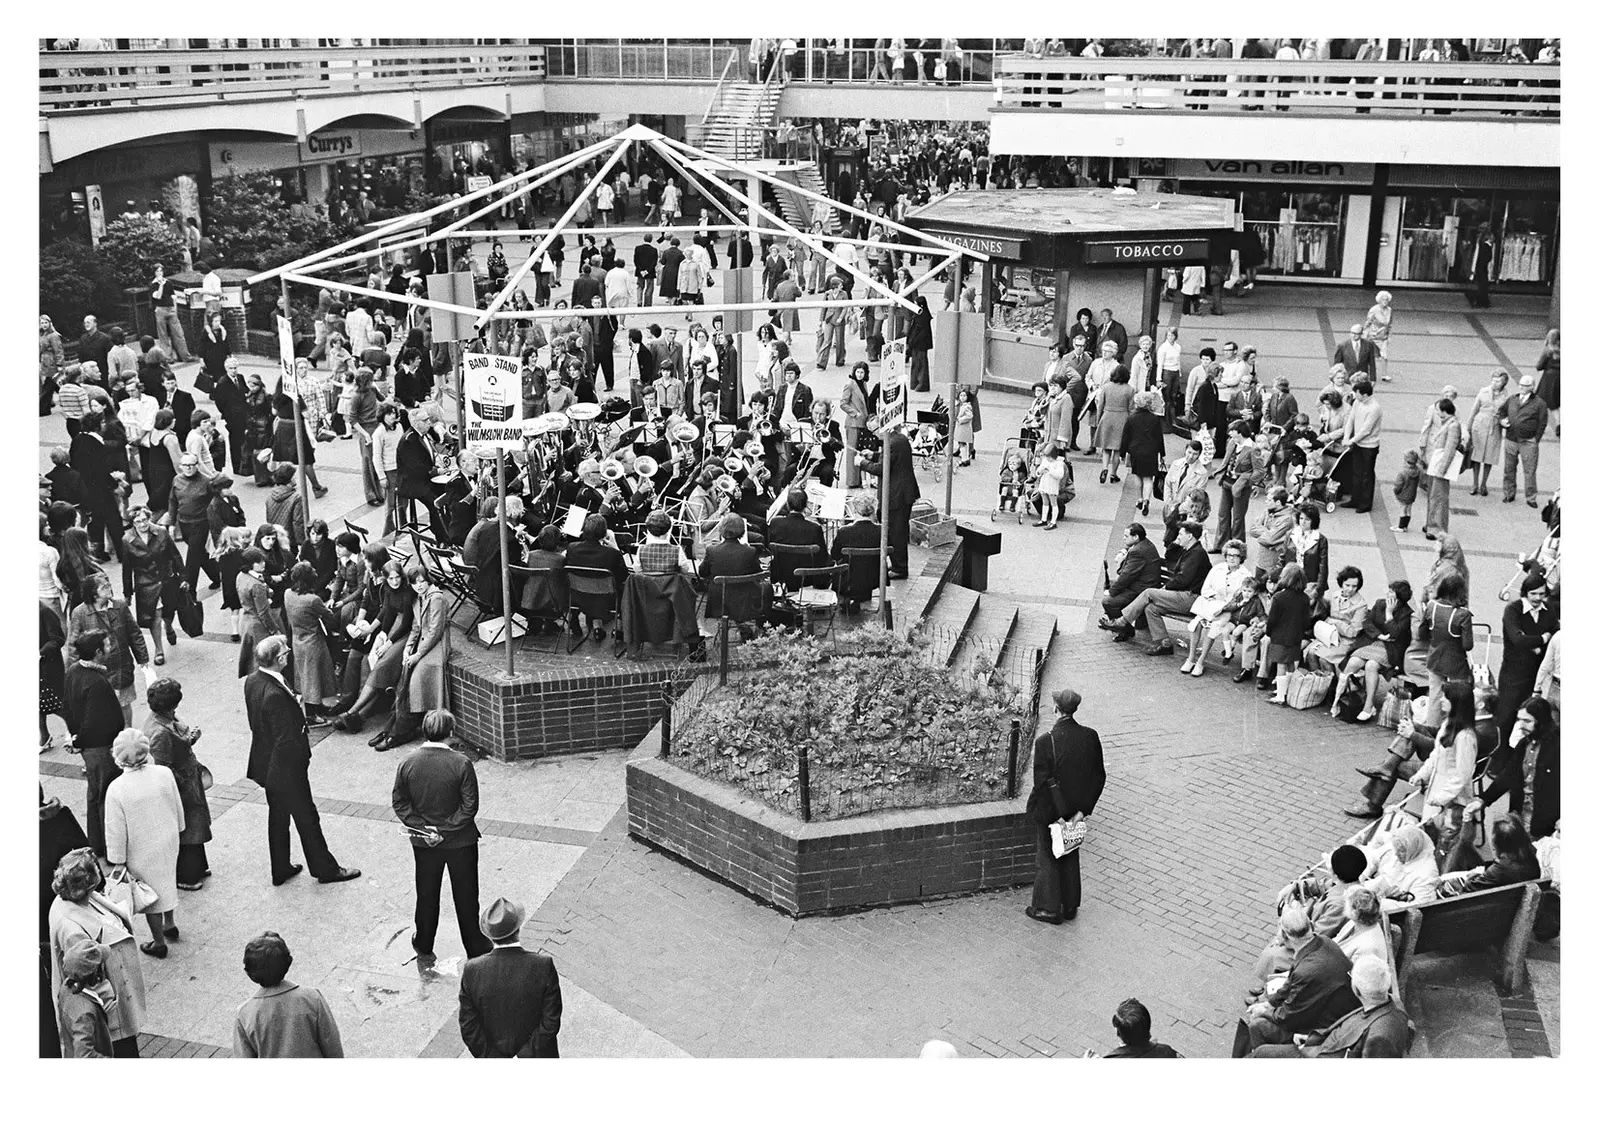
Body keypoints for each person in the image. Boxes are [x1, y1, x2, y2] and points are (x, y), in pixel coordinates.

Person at [244, 635, 361, 887]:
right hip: (286, 770)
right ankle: (325, 868)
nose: (288, 654)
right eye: (285, 652)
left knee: (278, 817)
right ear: (279, 659)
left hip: (266, 764)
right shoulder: (274, 694)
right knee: (307, 818)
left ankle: (281, 867)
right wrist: (301, 761)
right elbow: (286, 740)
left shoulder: (253, 681)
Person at [48, 847, 147, 1057]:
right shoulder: (72, 928)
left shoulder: (75, 899)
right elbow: (86, 974)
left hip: (112, 1008)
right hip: (109, 1016)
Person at [1024, 688, 1107, 925]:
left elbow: (1041, 784)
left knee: (1047, 857)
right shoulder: (1090, 736)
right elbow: (1099, 776)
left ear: (1056, 709)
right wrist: (1082, 811)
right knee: (1070, 852)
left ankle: (1048, 908)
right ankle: (1070, 904)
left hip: (1052, 811)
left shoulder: (1045, 741)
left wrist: (1055, 815)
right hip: (1076, 811)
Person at [1232, 904, 1359, 1057]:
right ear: (1310, 926)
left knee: (1257, 1025)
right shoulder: (1323, 942)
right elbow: (1291, 982)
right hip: (1332, 1010)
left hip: (1327, 1028)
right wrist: (1270, 1003)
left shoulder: (1307, 971)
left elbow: (1288, 1016)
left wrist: (1264, 1011)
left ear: (1285, 936)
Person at [103, 728, 185, 958]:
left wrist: (117, 860)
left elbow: (115, 829)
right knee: (168, 880)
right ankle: (170, 923)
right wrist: (179, 827)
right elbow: (177, 805)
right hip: (168, 838)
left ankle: (158, 941)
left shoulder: (116, 789)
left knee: (150, 894)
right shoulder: (164, 773)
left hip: (140, 848)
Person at [459, 897, 563, 1057]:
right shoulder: (543, 965)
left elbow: (469, 1028)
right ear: (518, 929)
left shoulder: (472, 970)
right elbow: (550, 1021)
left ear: (490, 936)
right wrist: (523, 1056)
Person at [1246, 957, 1407, 1058]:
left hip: (1317, 1056)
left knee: (1261, 1053)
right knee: (1259, 1030)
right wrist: (1312, 1038)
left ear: (1357, 990)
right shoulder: (1384, 1003)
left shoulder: (1380, 1036)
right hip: (1318, 1044)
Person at [232, 931, 345, 1057]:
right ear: (288, 963)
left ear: (249, 973)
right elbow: (331, 1043)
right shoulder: (312, 998)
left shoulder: (245, 1014)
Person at [1105, 523, 1211, 655]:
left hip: (1192, 598)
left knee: (1149, 593)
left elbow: (1183, 579)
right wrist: (1175, 544)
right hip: (1183, 595)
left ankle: (1122, 621)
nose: (1178, 536)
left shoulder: (1197, 554)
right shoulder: (1189, 550)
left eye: (1181, 534)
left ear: (1189, 536)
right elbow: (1170, 559)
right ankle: (1164, 644)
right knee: (1151, 608)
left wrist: (1166, 587)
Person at [1411, 680, 1478, 863]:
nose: (1441, 700)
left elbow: (1462, 774)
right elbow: (1436, 754)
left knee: (1446, 841)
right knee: (1430, 831)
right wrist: (1422, 774)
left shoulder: (1465, 737)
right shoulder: (1448, 724)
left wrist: (1442, 797)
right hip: (1436, 786)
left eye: (1445, 697)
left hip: (1452, 797)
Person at [1330, 579, 1413, 723]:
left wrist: (1389, 613)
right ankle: (1339, 701)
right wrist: (1379, 635)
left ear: (1398, 597)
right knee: (1353, 661)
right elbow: (1367, 622)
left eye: (1391, 592)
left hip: (1392, 649)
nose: (1387, 594)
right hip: (1375, 642)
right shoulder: (1380, 603)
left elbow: (1395, 634)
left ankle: (1369, 706)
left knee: (1371, 665)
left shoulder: (1406, 613)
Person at [859, 423, 919, 579]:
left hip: (896, 495)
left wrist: (862, 463)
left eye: (874, 430)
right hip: (903, 492)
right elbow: (891, 459)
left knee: (896, 532)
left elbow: (881, 469)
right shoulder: (899, 439)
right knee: (896, 530)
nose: (874, 434)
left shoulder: (890, 443)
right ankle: (898, 564)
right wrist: (874, 455)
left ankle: (900, 568)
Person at [1433, 816, 1540, 899]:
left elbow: (1470, 887)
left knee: (1446, 877)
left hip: (1486, 906)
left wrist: (1473, 875)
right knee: (1463, 847)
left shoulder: (1500, 869)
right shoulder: (1530, 854)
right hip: (1504, 899)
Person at [284, 562, 338, 717]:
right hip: (314, 641)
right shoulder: (313, 599)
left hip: (298, 640)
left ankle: (317, 707)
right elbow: (330, 616)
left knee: (305, 676)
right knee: (314, 677)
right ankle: (311, 715)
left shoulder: (288, 593)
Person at [1498, 374, 1548, 508]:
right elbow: (1501, 412)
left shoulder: (1539, 403)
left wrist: (1536, 439)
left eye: (1525, 385)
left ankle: (1531, 497)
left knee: (1529, 471)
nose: (1521, 387)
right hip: (1511, 439)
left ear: (1532, 387)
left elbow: (1542, 422)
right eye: (1520, 384)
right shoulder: (1512, 399)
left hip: (1528, 441)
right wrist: (1502, 420)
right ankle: (1509, 493)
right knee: (1509, 468)